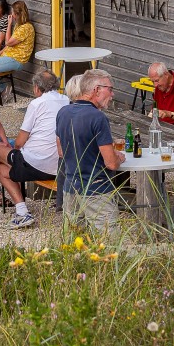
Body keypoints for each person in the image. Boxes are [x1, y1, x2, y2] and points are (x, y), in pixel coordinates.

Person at [0, 69, 67, 229]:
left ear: (37, 88)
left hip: (37, 164)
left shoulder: (36, 104)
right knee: (3, 167)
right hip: (61, 166)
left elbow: (20, 141)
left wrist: (15, 150)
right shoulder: (67, 100)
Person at [57, 68, 125, 236]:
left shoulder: (63, 112)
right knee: (109, 243)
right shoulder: (98, 117)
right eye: (110, 89)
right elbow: (110, 163)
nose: (112, 94)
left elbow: (61, 152)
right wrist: (118, 158)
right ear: (96, 90)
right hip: (97, 189)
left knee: (74, 244)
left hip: (70, 187)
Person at [0, 0, 35, 77]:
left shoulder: (26, 28)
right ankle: (1, 88)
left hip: (16, 60)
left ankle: (1, 88)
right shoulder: (19, 25)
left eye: (12, 13)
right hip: (8, 57)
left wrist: (9, 24)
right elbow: (9, 46)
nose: (11, 15)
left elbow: (7, 43)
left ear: (17, 14)